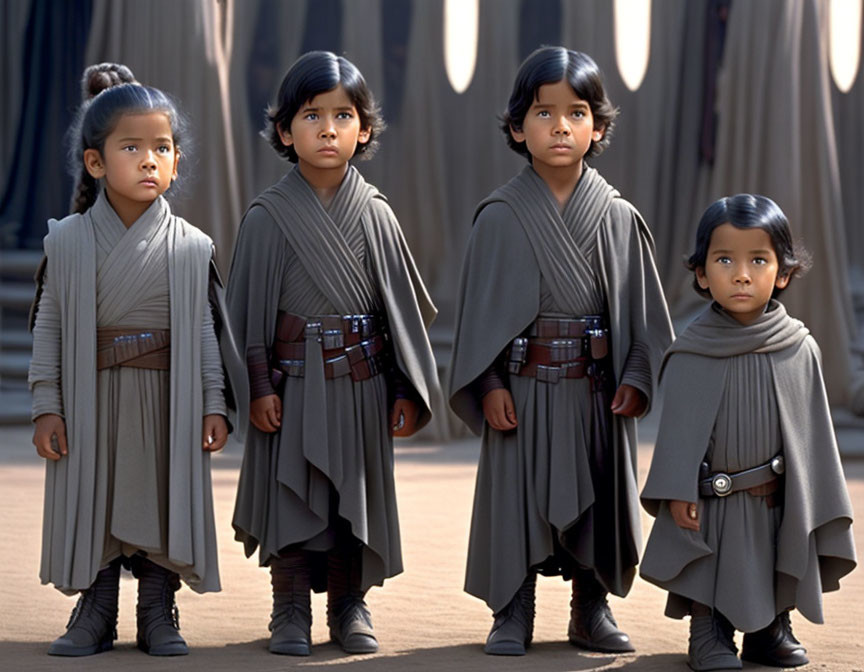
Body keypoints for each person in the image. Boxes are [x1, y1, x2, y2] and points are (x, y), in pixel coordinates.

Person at [448, 46, 674, 656]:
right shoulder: (497, 216)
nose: (560, 126)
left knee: (597, 498)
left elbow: (647, 317)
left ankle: (590, 608)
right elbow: (476, 317)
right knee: (517, 499)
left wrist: (635, 373)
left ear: (597, 126)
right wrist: (489, 383)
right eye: (543, 113)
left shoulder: (619, 217)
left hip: (596, 393)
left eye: (576, 112)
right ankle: (511, 608)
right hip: (520, 389)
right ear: (518, 126)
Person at [226, 50, 438, 657]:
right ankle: (289, 607)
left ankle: (349, 605)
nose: (327, 128)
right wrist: (259, 386)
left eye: (342, 115)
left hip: (359, 383)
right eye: (311, 115)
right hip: (289, 388)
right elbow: (247, 319)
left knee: (354, 499)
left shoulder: (377, 216)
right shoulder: (267, 217)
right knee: (293, 494)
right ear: (285, 129)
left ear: (364, 129)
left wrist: (403, 387)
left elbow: (396, 313)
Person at [28, 63, 230, 657]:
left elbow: (202, 331)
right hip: (92, 399)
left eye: (161, 148)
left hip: (168, 398)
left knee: (163, 498)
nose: (149, 160)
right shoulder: (66, 241)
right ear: (96, 162)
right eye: (132, 147)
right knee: (96, 495)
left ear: (175, 161)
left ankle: (157, 609)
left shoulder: (192, 246)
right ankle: (95, 609)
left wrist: (213, 402)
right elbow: (51, 324)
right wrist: (47, 405)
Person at [640, 194, 856, 671]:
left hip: (775, 497)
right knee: (709, 563)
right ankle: (709, 630)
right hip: (711, 500)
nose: (741, 273)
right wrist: (677, 490)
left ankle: (771, 629)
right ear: (701, 274)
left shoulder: (800, 348)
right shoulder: (690, 352)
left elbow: (812, 437)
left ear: (782, 273)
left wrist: (807, 492)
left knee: (775, 554)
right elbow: (676, 435)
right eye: (724, 259)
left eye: (758, 259)